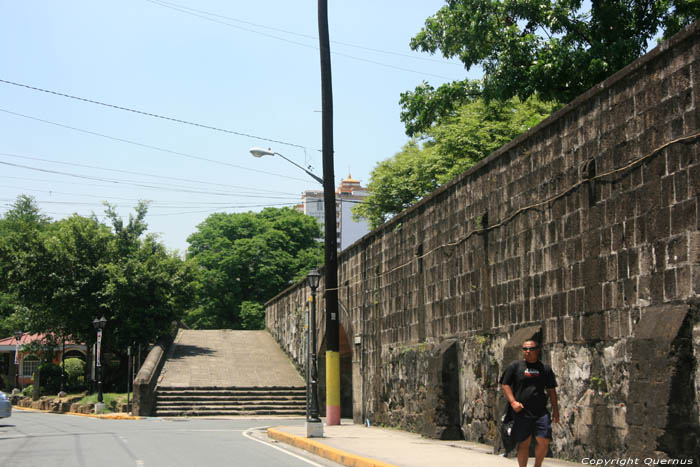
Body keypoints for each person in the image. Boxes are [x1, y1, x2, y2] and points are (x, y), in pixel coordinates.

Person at [500, 340, 560, 467]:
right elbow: (505, 384)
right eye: (525, 349)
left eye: (531, 349)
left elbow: (551, 390)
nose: (527, 351)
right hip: (522, 411)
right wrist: (513, 402)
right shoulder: (515, 366)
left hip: (540, 411)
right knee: (524, 443)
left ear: (537, 350)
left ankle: (537, 465)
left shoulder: (545, 369)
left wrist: (556, 410)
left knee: (544, 440)